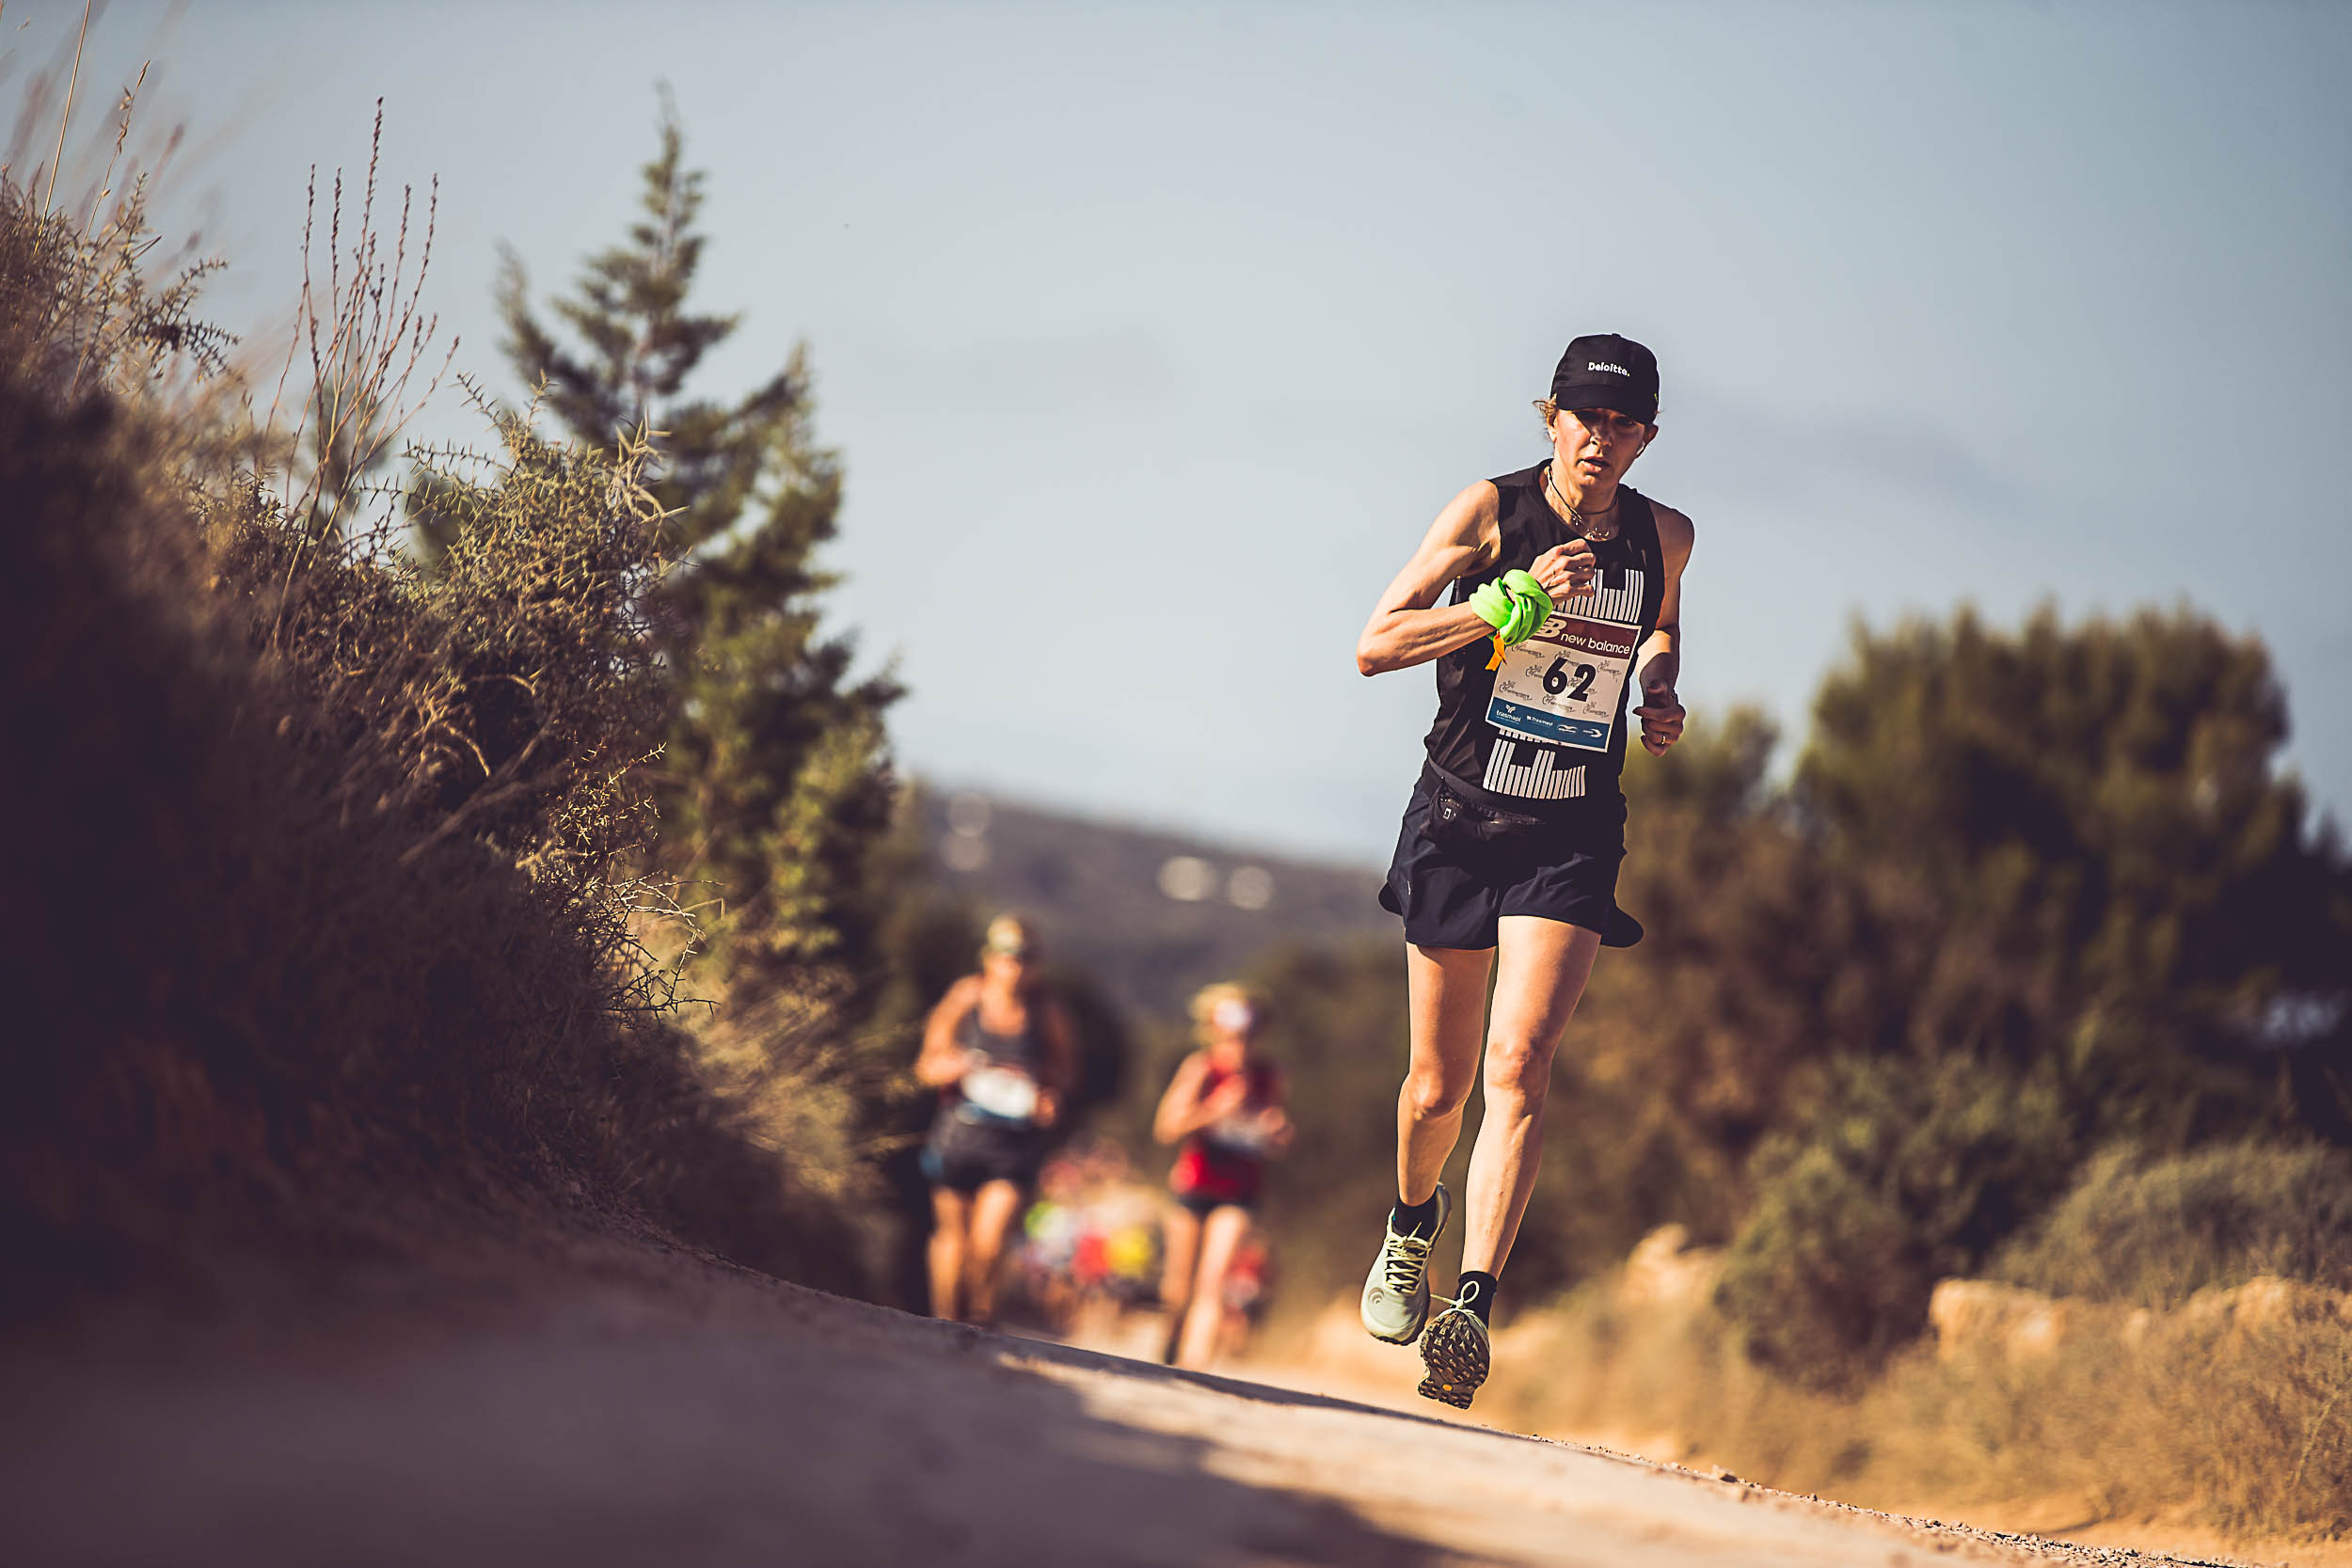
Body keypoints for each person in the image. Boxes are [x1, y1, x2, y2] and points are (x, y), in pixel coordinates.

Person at [1351, 334, 1694, 1409]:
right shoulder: (1489, 513)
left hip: (1569, 828)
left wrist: (1658, 687)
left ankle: (1471, 1305)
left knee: (1521, 1062)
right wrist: (1501, 604)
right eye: (1585, 417)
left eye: (1623, 423)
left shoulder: (1666, 536)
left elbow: (1658, 624)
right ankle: (1412, 1221)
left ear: (1645, 437)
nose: (1601, 439)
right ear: (1551, 418)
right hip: (1460, 816)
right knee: (1435, 1088)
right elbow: (1375, 642)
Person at [916, 913, 1079, 1327]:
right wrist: (952, 1067)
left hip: (1013, 1141)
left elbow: (1064, 1071)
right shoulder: (965, 998)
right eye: (1007, 955)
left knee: (989, 1242)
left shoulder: (1047, 1011)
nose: (1015, 966)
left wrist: (1050, 1096)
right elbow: (926, 1066)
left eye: (1025, 957)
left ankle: (979, 1318)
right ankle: (944, 1322)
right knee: (953, 1237)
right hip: (959, 1134)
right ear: (989, 957)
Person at [1152, 983, 1293, 1369]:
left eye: (1248, 1034)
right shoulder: (1201, 1068)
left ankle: (1195, 1367)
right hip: (1195, 1184)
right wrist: (1214, 1110)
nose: (1240, 1044)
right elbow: (1166, 1128)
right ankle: (1173, 1332)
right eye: (1232, 1034)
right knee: (1179, 1285)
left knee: (1215, 1280)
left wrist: (1278, 1132)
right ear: (1214, 1030)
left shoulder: (1269, 1075)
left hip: (1240, 1190)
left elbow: (1276, 1136)